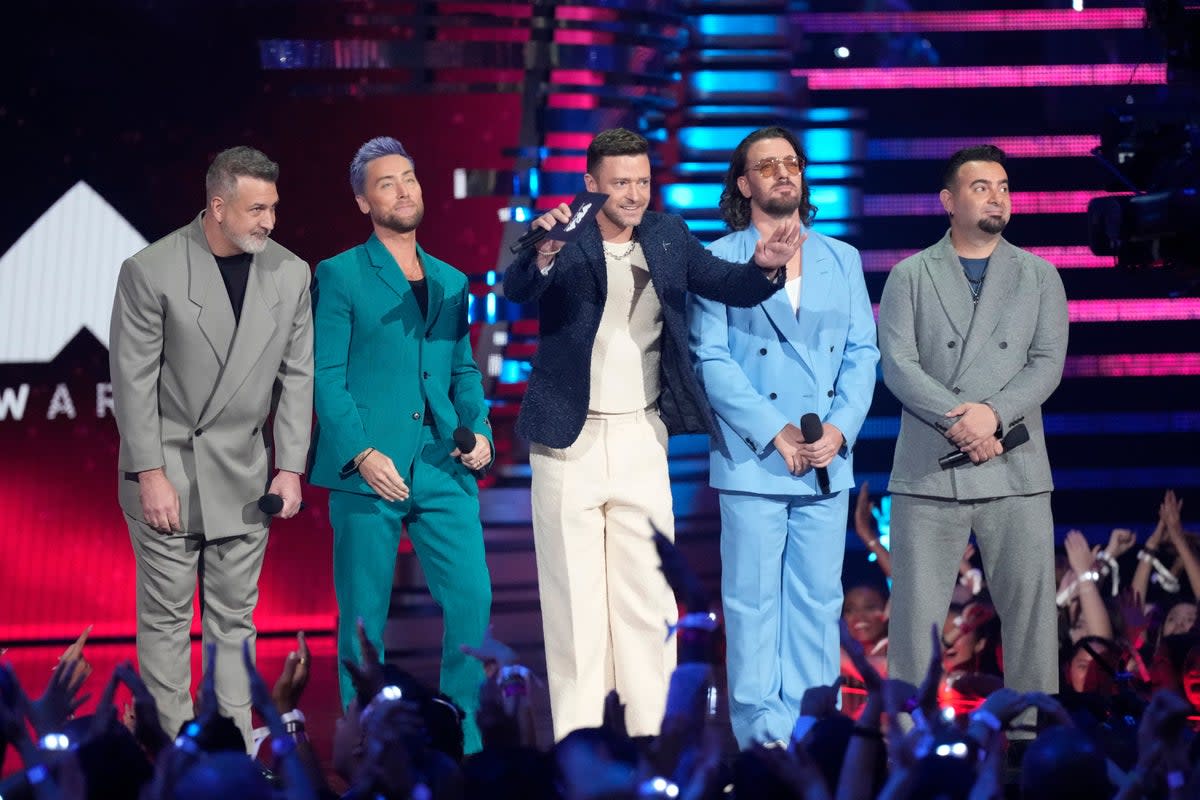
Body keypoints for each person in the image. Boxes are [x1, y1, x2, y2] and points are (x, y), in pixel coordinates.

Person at [502, 127, 801, 739]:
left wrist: (765, 267)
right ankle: (580, 747)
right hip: (568, 441)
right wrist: (546, 250)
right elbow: (517, 288)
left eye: (642, 181)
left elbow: (725, 281)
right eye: (620, 183)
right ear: (591, 183)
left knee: (647, 598)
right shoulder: (560, 233)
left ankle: (650, 740)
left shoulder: (667, 235)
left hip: (642, 435)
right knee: (577, 607)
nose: (634, 194)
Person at [109, 146, 313, 746]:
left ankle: (229, 753)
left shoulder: (291, 272)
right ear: (217, 207)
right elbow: (133, 382)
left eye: (273, 208)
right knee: (168, 624)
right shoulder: (152, 270)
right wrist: (149, 471)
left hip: (247, 478)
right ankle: (176, 756)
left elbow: (297, 377)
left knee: (234, 627)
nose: (268, 222)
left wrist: (291, 467)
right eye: (256, 209)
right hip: (169, 471)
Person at [687, 126, 878, 747]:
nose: (782, 173)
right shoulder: (716, 259)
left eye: (790, 163)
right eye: (766, 166)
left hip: (825, 456)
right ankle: (759, 744)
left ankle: (813, 735)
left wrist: (842, 430)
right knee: (750, 605)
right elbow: (710, 358)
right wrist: (777, 432)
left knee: (819, 602)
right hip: (754, 457)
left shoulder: (841, 258)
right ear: (744, 184)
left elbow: (862, 354)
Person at [308, 136, 493, 753]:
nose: (404, 189)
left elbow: (462, 370)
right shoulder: (338, 275)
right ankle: (366, 739)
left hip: (442, 462)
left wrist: (481, 431)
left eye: (410, 177)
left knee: (472, 597)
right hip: (369, 468)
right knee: (364, 617)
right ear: (363, 201)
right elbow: (325, 376)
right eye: (387, 182)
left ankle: (460, 734)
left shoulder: (449, 280)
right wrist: (361, 451)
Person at [878, 144, 1069, 702]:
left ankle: (1033, 744)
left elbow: (1047, 364)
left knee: (1032, 616)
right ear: (948, 201)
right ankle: (906, 740)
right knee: (916, 622)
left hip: (1016, 467)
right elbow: (898, 364)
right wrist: (958, 420)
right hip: (931, 471)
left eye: (1004, 186)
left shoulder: (1040, 276)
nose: (997, 196)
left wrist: (992, 415)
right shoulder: (909, 275)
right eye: (982, 186)